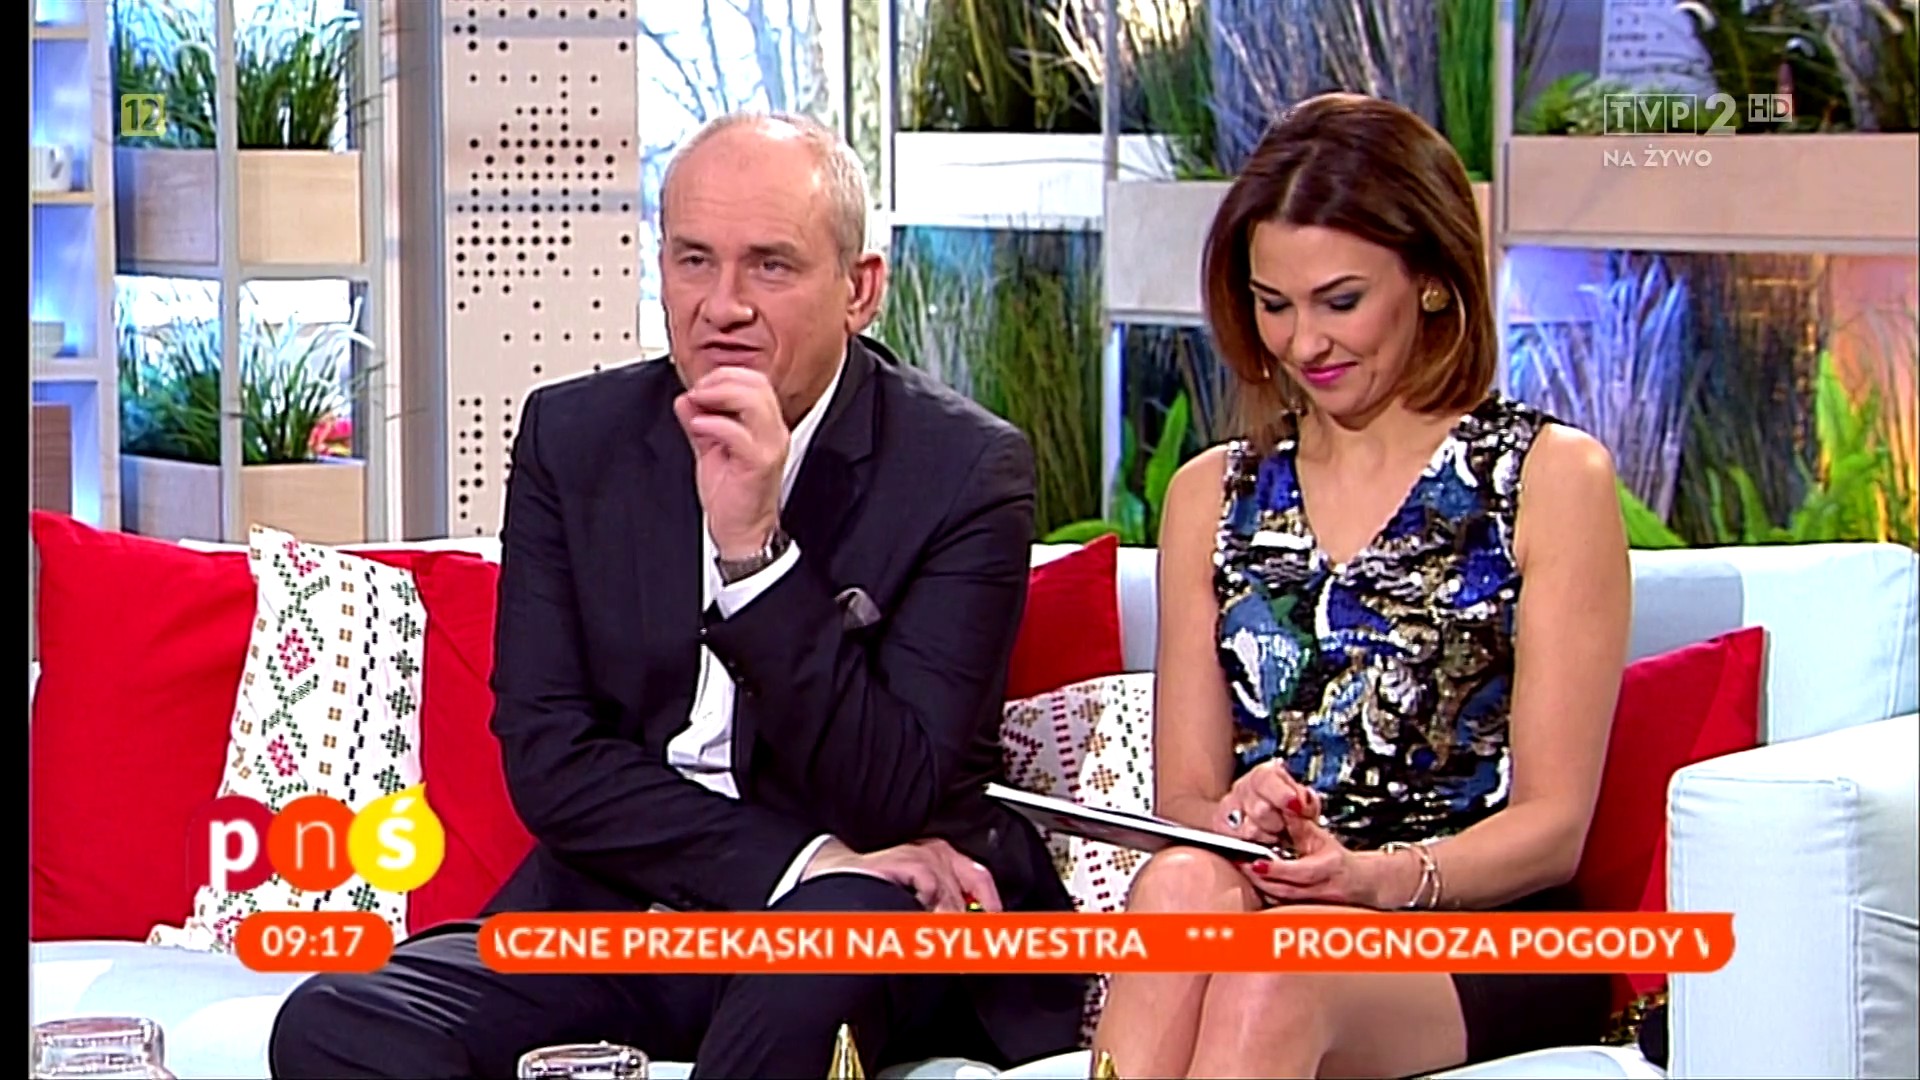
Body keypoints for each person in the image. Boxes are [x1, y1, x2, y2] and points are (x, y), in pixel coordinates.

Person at [269, 111, 1088, 1079]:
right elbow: (551, 761)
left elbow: (896, 793)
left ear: (861, 289)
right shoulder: (575, 441)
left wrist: (755, 556)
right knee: (335, 1022)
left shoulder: (962, 472)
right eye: (694, 260)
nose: (722, 306)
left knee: (814, 967)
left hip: (861, 910)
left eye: (770, 267)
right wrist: (793, 860)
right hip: (634, 898)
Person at [1088, 92, 1633, 1079]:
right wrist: (1243, 817)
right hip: (1278, 899)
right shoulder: (1211, 495)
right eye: (1274, 304)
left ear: (1430, 281)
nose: (1304, 344)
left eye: (1340, 302)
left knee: (1274, 972)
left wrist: (1377, 882)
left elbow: (1552, 830)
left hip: (1476, 920)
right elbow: (1187, 804)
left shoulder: (1551, 480)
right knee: (1179, 888)